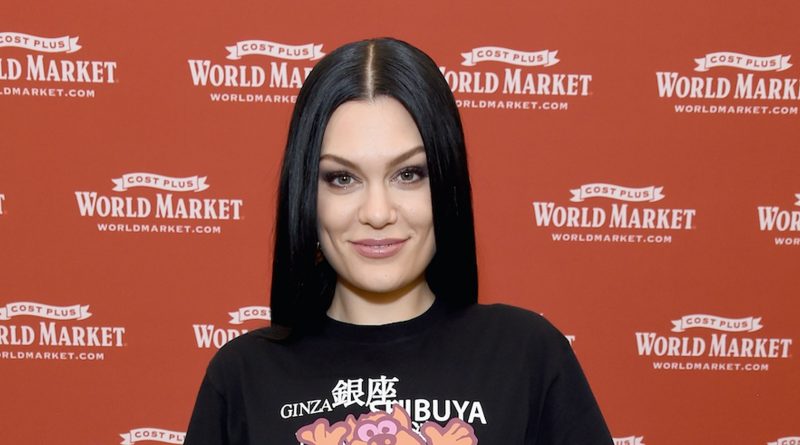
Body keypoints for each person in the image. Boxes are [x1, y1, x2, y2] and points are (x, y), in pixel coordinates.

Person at [184, 37, 613, 445]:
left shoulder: (525, 355)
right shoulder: (242, 376)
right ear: (307, 196)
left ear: (446, 183)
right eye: (342, 178)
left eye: (408, 174)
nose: (377, 213)